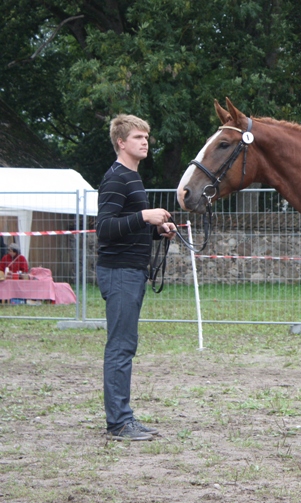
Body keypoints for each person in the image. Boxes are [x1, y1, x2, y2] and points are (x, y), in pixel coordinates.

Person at [97, 114, 176, 441]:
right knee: (121, 347)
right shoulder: (117, 178)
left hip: (130, 272)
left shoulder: (131, 178)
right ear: (121, 142)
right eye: (138, 137)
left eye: (146, 137)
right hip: (119, 273)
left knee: (124, 346)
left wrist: (156, 231)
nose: (145, 142)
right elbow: (103, 229)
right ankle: (118, 422)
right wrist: (144, 215)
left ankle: (123, 417)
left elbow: (126, 229)